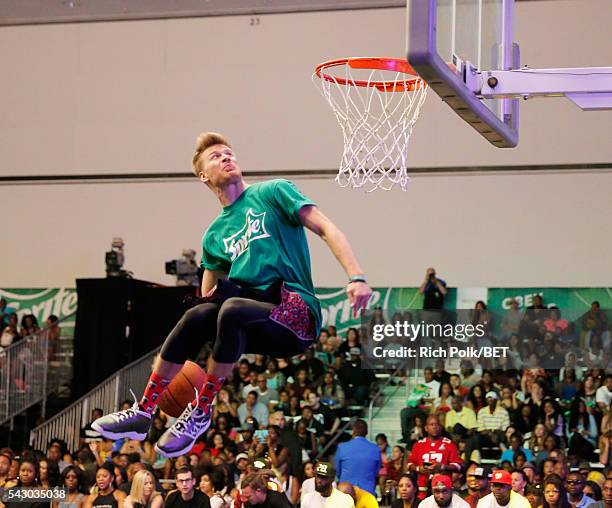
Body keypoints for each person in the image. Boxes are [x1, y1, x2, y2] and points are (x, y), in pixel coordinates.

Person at [92, 132, 373, 457]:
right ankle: (144, 411)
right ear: (203, 175)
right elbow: (206, 299)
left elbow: (327, 228)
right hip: (257, 319)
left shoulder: (272, 192)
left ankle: (200, 412)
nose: (226, 158)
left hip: (296, 313)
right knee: (199, 313)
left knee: (232, 308)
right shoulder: (214, 235)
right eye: (216, 157)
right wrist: (180, 352)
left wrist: (356, 276)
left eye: (229, 153)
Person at [407, 415, 462, 499]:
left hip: (442, 490)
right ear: (426, 428)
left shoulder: (449, 444)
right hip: (422, 489)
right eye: (431, 424)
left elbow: (457, 466)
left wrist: (442, 467)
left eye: (437, 424)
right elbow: (409, 464)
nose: (434, 427)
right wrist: (419, 468)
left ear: (441, 427)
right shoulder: (418, 444)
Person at [335, 419, 381, 496]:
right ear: (366, 432)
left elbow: (338, 472)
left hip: (346, 492)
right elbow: (376, 472)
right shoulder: (375, 449)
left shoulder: (342, 447)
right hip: (367, 492)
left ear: (353, 431)